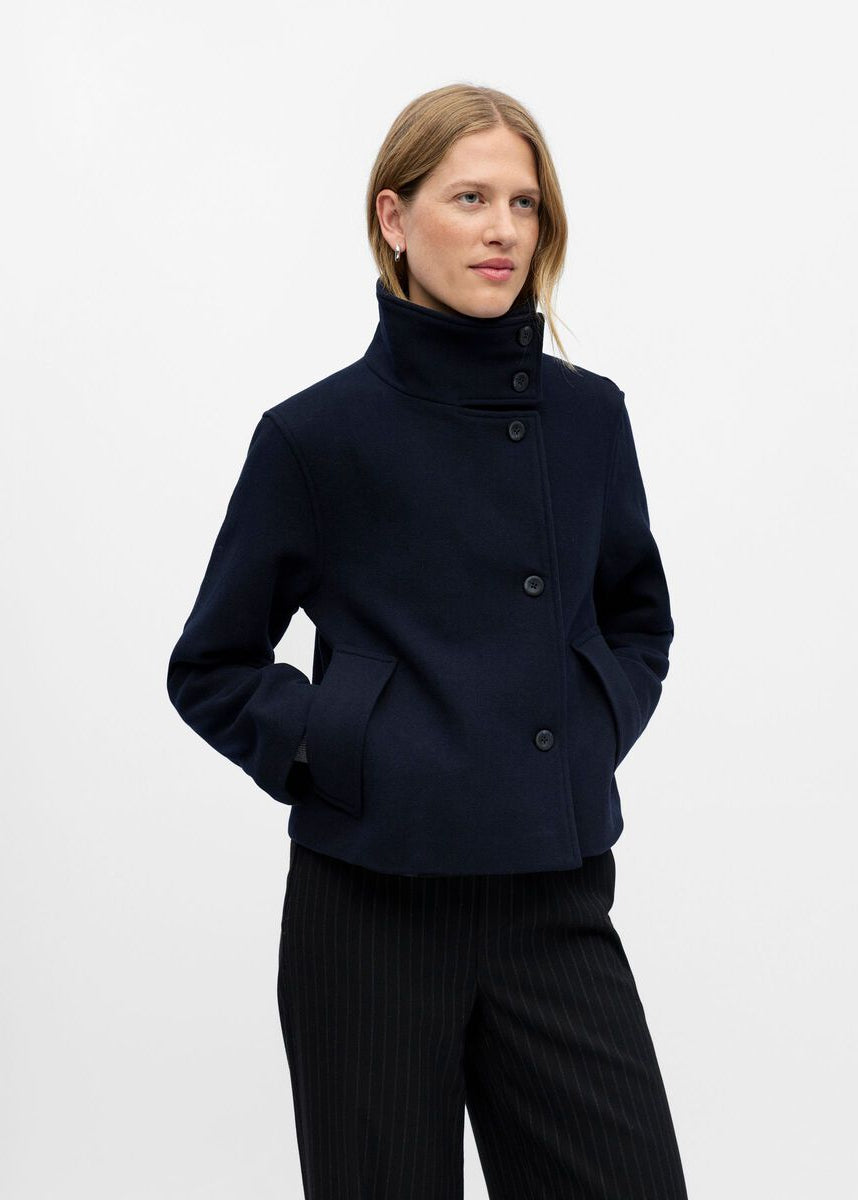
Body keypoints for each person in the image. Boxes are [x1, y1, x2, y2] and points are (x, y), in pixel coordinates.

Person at [167, 82, 689, 1199]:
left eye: (524, 203)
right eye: (470, 198)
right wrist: (344, 748)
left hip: (552, 898)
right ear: (394, 218)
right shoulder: (315, 436)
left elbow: (637, 619)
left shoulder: (589, 417)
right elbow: (210, 664)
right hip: (370, 908)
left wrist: (586, 730)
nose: (503, 230)